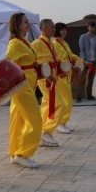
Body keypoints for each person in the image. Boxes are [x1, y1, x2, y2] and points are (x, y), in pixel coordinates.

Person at [5, 13, 43, 167]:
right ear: (17, 25)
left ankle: (15, 152)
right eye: (25, 22)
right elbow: (7, 63)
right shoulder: (15, 43)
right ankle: (23, 153)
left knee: (18, 121)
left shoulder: (24, 42)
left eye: (28, 22)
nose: (28, 24)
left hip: (28, 85)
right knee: (35, 120)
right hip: (21, 87)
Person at [33, 19, 62, 147]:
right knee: (58, 103)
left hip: (53, 77)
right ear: (44, 29)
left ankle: (43, 132)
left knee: (47, 105)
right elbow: (32, 61)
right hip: (45, 79)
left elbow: (56, 58)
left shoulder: (51, 43)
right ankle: (47, 132)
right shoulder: (36, 44)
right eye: (52, 27)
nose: (54, 29)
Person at [53, 22, 83, 133]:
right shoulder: (54, 43)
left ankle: (63, 122)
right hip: (60, 76)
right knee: (65, 101)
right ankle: (59, 123)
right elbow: (60, 59)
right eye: (62, 30)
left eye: (65, 29)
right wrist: (72, 66)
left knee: (68, 101)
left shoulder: (64, 43)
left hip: (67, 75)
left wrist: (81, 60)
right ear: (57, 31)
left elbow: (71, 56)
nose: (64, 32)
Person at [78, 21, 96, 101]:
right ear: (88, 28)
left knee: (91, 79)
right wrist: (84, 60)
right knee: (82, 79)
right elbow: (81, 50)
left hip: (94, 61)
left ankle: (89, 95)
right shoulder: (83, 37)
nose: (92, 29)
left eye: (94, 27)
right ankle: (79, 97)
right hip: (86, 61)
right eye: (91, 27)